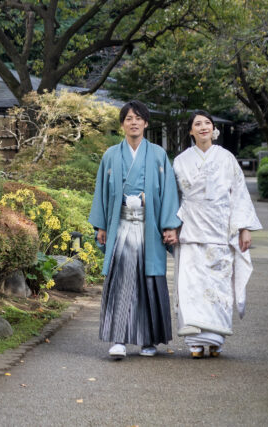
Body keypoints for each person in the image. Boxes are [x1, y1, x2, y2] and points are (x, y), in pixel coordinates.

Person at [90, 100, 181, 360]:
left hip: (148, 226)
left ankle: (148, 340)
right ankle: (119, 339)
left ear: (146, 123)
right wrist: (101, 226)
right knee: (121, 281)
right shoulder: (110, 155)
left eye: (138, 118)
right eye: (129, 118)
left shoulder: (158, 154)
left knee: (148, 281)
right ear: (122, 124)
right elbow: (101, 192)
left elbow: (168, 193)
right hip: (120, 225)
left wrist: (169, 226)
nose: (133, 122)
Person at [172, 110, 262, 359]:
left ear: (214, 129)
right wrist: (170, 227)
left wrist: (244, 228)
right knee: (191, 286)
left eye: (207, 123)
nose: (203, 127)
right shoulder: (180, 161)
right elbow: (173, 197)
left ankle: (216, 339)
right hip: (190, 230)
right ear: (190, 131)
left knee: (219, 287)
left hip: (221, 231)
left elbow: (240, 195)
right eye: (197, 124)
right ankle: (195, 343)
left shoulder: (227, 158)